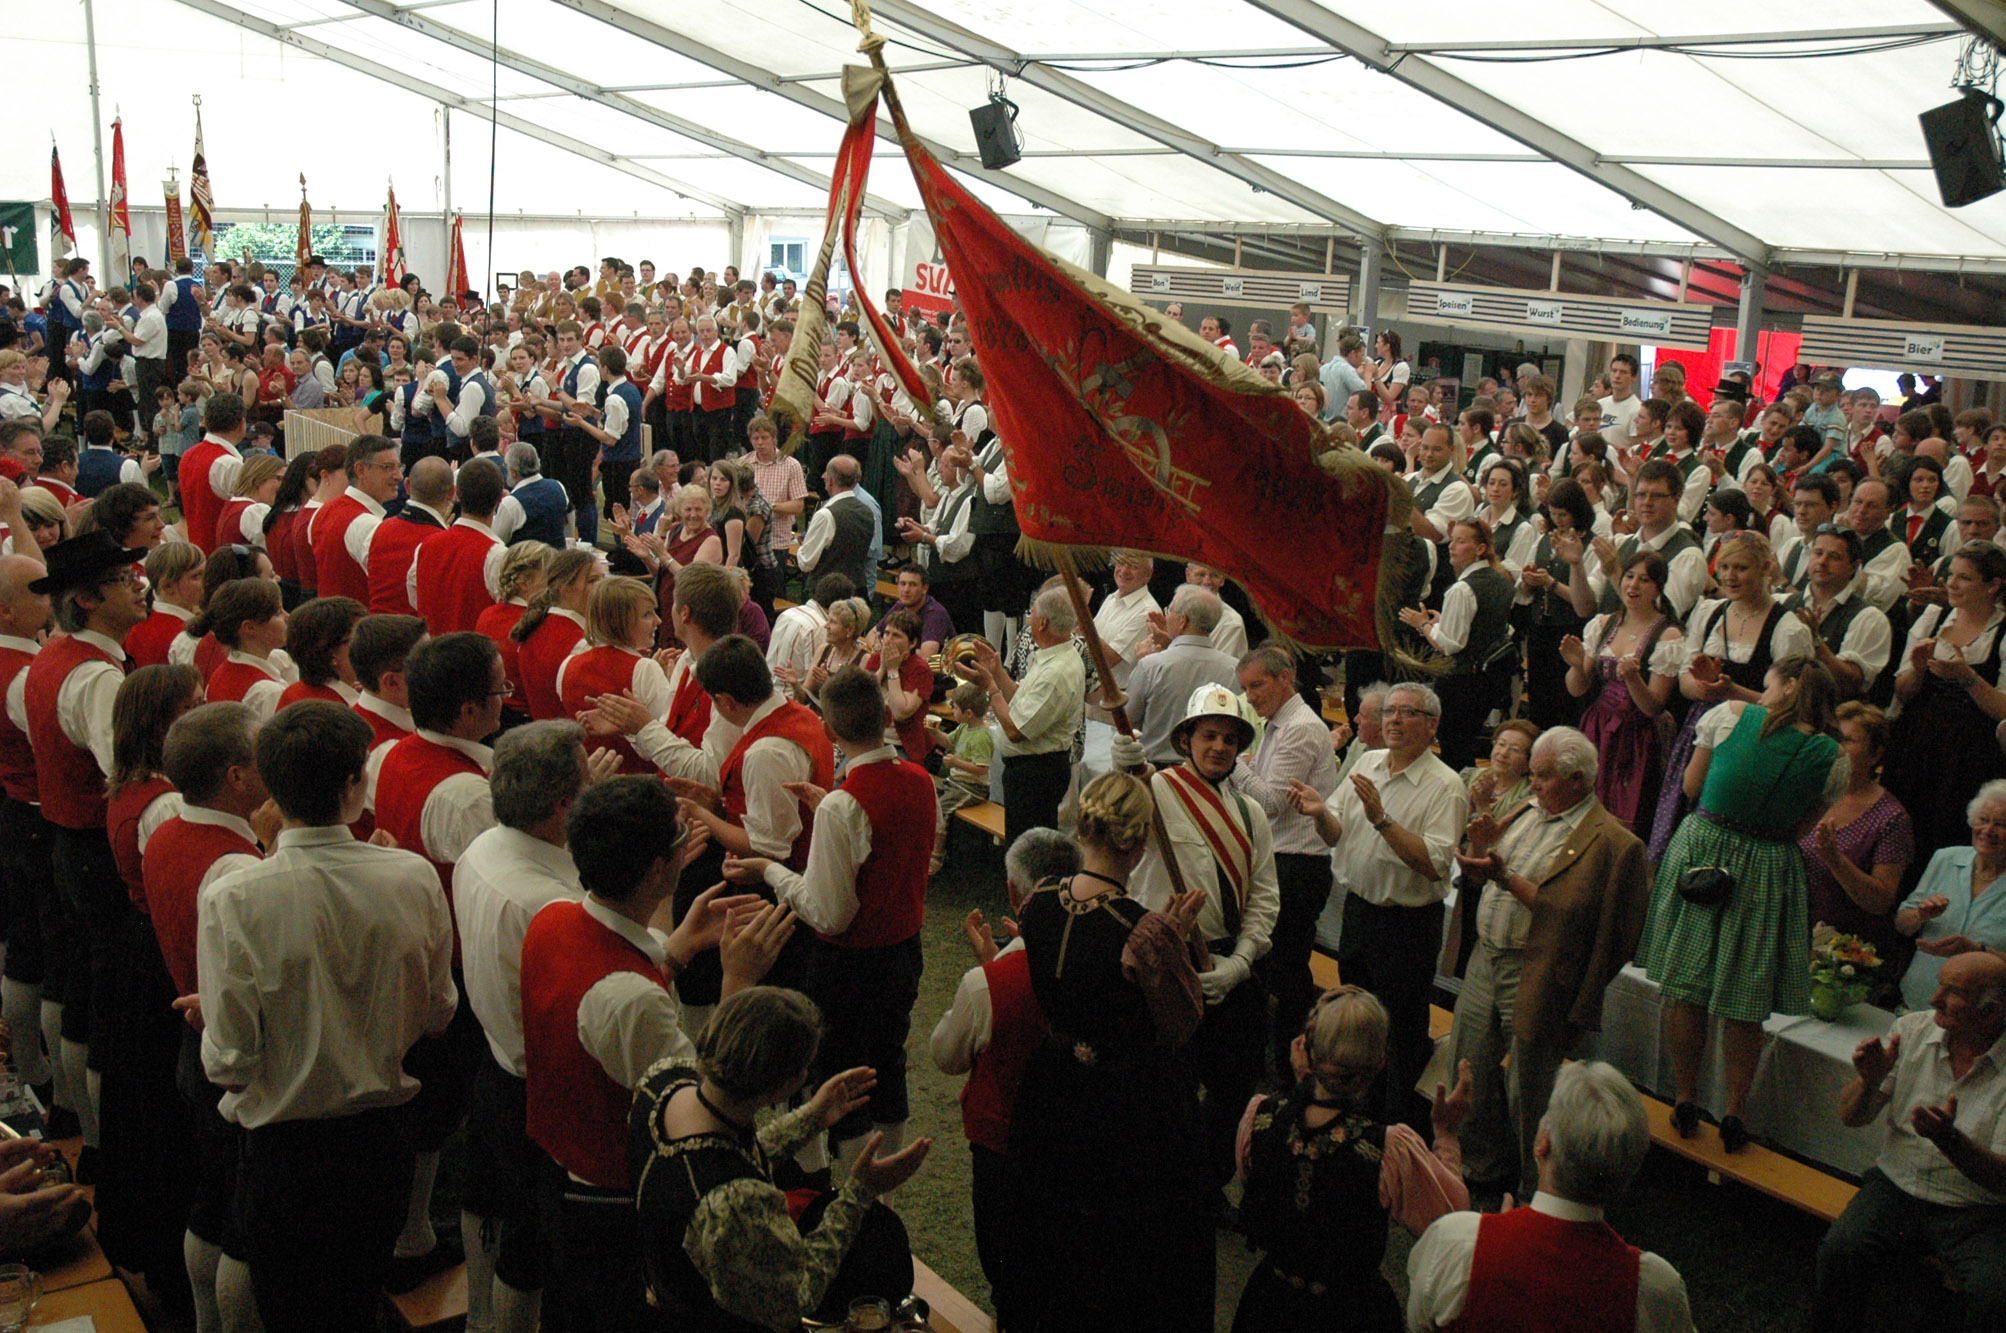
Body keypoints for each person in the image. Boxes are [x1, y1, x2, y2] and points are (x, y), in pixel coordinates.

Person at [197, 701, 458, 1330]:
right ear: (352, 785)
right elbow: (438, 1013)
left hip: (287, 1153)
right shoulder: (411, 875)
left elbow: (230, 1063)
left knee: (296, 1312)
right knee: (358, 1298)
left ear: (270, 786)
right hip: (381, 1143)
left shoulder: (234, 895)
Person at [518, 777, 768, 1332]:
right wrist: (738, 982)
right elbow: (709, 1110)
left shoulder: (553, 916)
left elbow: (603, 1009)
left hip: (556, 1171)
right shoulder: (631, 999)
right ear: (659, 870)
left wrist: (677, 949)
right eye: (681, 835)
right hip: (615, 1204)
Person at [1009, 772, 1212, 1332]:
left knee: (1051, 1227)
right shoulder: (1142, 929)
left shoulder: (1037, 901)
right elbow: (1180, 1025)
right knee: (1118, 1244)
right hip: (1125, 1103)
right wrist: (1172, 943)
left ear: (1082, 828)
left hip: (1051, 1083)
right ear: (1140, 842)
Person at [727, 667, 935, 1171]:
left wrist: (770, 870)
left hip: (850, 965)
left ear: (828, 729)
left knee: (842, 1073)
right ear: (886, 718)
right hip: (904, 951)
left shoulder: (843, 806)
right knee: (888, 1059)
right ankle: (884, 1186)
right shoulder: (920, 778)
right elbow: (890, 845)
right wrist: (832, 811)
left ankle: (857, 1183)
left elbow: (829, 914)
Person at [631, 987, 931, 1330]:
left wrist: (811, 1118)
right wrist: (859, 1193)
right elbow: (795, 1295)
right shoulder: (735, 1203)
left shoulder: (662, 1081)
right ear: (782, 1087)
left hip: (659, 1293)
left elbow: (718, 1151)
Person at [1640, 655, 1845, 1152]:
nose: (1763, 692)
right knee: (1745, 996)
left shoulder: (1729, 715)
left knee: (1687, 984)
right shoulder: (1833, 756)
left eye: (1769, 683)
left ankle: (1685, 1097)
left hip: (1705, 848)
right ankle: (1735, 1110)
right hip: (1770, 864)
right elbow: (1803, 826)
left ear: (1789, 685)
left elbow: (1691, 787)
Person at [1449, 728, 1652, 1201]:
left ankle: (1535, 1188)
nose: (1533, 783)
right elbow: (1484, 872)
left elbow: (1580, 919)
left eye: (1543, 776)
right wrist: (1479, 851)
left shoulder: (1612, 841)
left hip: (1538, 972)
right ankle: (1480, 1168)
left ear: (1577, 779)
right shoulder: (1526, 809)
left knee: (1529, 1089)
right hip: (1487, 956)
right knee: (1469, 1064)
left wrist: (1504, 876)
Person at [452, 722, 601, 1333]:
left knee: (484, 1198)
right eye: (588, 781)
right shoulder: (549, 902)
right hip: (540, 1088)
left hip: (496, 1061)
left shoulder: (482, 848)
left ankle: (478, 1318)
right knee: (533, 1244)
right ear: (562, 805)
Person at [1233, 987, 1472, 1333]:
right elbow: (1452, 1219)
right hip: (1350, 1313)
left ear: (1308, 1050)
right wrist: (1446, 1135)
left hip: (1270, 1305)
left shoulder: (1261, 1117)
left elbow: (1259, 1183)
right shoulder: (1387, 1149)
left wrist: (1304, 1084)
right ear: (1378, 1064)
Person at [146, 701, 271, 1333]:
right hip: (231, 1050)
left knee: (212, 1202)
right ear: (237, 777)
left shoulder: (166, 829)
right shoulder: (236, 865)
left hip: (194, 1039)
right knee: (243, 1221)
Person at [1407, 1061, 1696, 1333]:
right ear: (1627, 1176)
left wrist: (1500, 1240)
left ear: (1543, 1143)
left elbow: (1419, 1322)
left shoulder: (1457, 1244)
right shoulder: (1655, 1288)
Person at [1293, 681, 1468, 1128]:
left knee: (1400, 1031)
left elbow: (1433, 865)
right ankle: (1356, 1113)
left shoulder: (1445, 786)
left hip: (1408, 925)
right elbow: (1336, 834)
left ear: (1432, 725)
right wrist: (1319, 813)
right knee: (1355, 1020)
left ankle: (1394, 1129)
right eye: (1389, 711)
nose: (1394, 720)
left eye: (1407, 712)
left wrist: (1382, 820)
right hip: (1359, 912)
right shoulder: (1368, 762)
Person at [930, 827, 1079, 1328]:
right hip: (1079, 1140)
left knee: (1007, 1266)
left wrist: (993, 969)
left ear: (1014, 893)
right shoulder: (1102, 962)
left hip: (1003, 1145)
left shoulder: (986, 984)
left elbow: (945, 1056)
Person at [1817, 950, 2006, 1332]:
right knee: (1841, 1251)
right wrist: (1868, 1081)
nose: (1934, 999)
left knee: (1995, 1295)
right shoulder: (1913, 1030)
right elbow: (1850, 1117)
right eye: (1939, 985)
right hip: (1896, 1187)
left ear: (1990, 1013)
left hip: (1976, 1209)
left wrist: (1949, 1142)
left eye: (1952, 992)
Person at [1647, 533, 1812, 861]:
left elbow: (1794, 704)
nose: (1730, 576)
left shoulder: (1787, 628)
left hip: (1755, 738)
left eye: (1741, 568)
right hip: (1701, 733)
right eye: (1724, 567)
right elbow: (1684, 680)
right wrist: (1700, 687)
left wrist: (1732, 691)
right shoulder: (1709, 612)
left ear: (1765, 569)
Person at [1884, 542, 2006, 874]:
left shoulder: (2002, 632)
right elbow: (1902, 691)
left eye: (1964, 578)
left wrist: (1968, 677)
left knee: (1947, 834)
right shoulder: (1933, 617)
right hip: (1917, 747)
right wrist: (1918, 669)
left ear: (1993, 585)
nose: (1951, 583)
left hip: (1971, 757)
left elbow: (2003, 710)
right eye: (1951, 574)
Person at [1564, 549, 1683, 833]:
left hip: (1638, 736)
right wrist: (1577, 665)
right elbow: (1577, 689)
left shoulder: (1668, 635)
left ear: (1658, 588)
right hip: (1598, 726)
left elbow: (1653, 706)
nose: (1633, 585)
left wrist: (1633, 679)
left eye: (1644, 580)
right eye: (1629, 576)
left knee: (1625, 814)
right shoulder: (1604, 624)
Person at [954, 586, 1086, 843]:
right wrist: (997, 672)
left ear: (1043, 623)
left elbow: (1016, 730)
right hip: (1031, 771)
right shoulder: (1052, 658)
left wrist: (991, 687)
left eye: (1031, 614)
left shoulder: (1056, 672)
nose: (1028, 619)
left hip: (1036, 775)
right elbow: (1022, 703)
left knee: (1028, 849)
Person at [1802, 702, 1914, 975]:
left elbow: (1881, 901)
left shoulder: (1891, 818)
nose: (1835, 747)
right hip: (1785, 933)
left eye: (1847, 740)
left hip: (1839, 958)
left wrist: (1835, 860)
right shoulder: (1807, 789)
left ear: (1875, 754)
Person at [1401, 518, 1516, 771]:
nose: (1452, 547)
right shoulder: (1501, 580)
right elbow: (1482, 626)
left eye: (1460, 541)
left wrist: (1422, 624)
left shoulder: (1462, 589)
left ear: (1480, 548)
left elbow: (1449, 646)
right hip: (1488, 679)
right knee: (1465, 745)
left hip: (1462, 683)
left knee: (1455, 749)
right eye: (1452, 540)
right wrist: (1443, 622)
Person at [1896, 781, 2006, 1011]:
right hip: (1914, 1004)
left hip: (1975, 1017)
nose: (1987, 830)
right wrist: (1920, 915)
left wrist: (1976, 950)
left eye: (2001, 824)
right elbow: (1902, 925)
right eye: (1983, 819)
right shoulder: (1945, 859)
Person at [556, 577, 672, 775]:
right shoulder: (644, 668)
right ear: (620, 622)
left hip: (588, 777)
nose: (658, 621)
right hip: (640, 780)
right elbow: (665, 742)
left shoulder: (568, 665)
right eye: (647, 614)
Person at [1122, 584, 1241, 766]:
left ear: (1182, 620)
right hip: (1213, 768)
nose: (1166, 617)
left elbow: (1126, 722)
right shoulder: (1234, 669)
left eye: (1169, 611)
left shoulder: (1151, 666)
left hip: (1157, 770)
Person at [308, 435, 404, 604]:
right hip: (359, 617)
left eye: (399, 467)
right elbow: (392, 587)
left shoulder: (322, 512)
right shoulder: (367, 524)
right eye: (387, 467)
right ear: (360, 470)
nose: (399, 476)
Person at [514, 549, 604, 721]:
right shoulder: (581, 644)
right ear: (565, 589)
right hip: (570, 732)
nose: (602, 587)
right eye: (593, 581)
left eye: (602, 579)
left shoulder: (535, 627)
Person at [366, 456, 453, 617]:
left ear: (407, 486)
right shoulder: (443, 544)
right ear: (452, 493)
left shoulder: (377, 530)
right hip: (415, 629)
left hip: (375, 627)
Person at [925, 681, 993, 876]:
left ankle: (937, 855)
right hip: (956, 782)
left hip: (973, 788)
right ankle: (924, 844)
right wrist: (933, 731)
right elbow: (948, 742)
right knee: (928, 795)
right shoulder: (964, 728)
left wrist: (956, 763)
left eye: (954, 707)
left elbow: (982, 769)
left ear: (968, 713)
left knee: (942, 809)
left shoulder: (981, 736)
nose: (951, 710)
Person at [276, 595, 364, 709]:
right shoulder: (338, 710)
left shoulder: (295, 691)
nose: (368, 643)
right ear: (330, 655)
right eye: (358, 638)